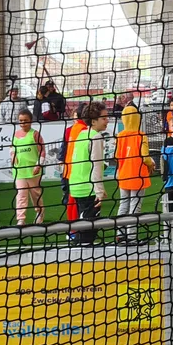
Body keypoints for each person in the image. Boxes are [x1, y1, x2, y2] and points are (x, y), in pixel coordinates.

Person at [68, 102, 108, 244]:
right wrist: (98, 190)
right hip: (87, 189)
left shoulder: (81, 134)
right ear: (93, 121)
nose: (107, 120)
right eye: (103, 118)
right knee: (88, 233)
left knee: (83, 228)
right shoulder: (96, 137)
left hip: (77, 187)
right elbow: (96, 166)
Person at [115, 103, 153, 243]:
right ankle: (131, 237)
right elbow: (145, 157)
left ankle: (120, 233)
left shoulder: (120, 136)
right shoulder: (141, 136)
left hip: (124, 175)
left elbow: (118, 156)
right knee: (134, 206)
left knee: (123, 205)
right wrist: (151, 164)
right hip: (138, 176)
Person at [10, 109, 45, 226]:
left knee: (35, 195)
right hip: (19, 171)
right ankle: (21, 219)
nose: (23, 123)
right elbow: (12, 148)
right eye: (20, 121)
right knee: (21, 195)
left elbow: (42, 151)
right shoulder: (15, 135)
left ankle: (40, 213)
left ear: (30, 121)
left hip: (33, 172)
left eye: (25, 121)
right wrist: (13, 157)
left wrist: (39, 164)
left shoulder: (35, 134)